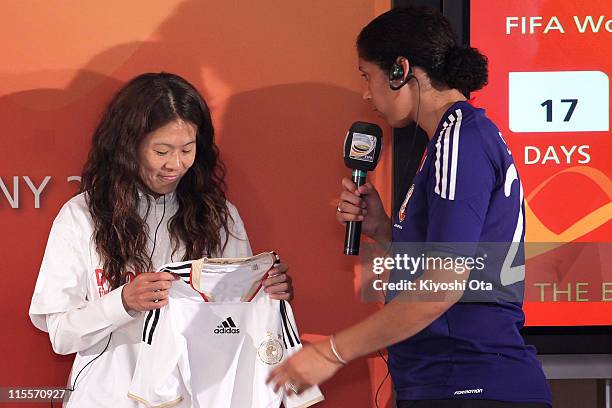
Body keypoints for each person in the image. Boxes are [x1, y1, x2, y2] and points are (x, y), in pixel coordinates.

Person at [268, 6, 552, 408]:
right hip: (445, 384)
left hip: (470, 383)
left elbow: (442, 286)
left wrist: (330, 352)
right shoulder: (447, 143)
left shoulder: (459, 141)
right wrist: (384, 230)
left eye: (368, 76)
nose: (367, 93)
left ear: (400, 70)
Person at [29, 72, 293, 407]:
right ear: (129, 146)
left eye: (187, 149)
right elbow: (62, 336)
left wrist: (266, 292)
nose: (176, 164)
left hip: (195, 396)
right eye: (162, 150)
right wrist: (123, 301)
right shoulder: (82, 215)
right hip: (107, 397)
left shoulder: (219, 216)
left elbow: (238, 321)